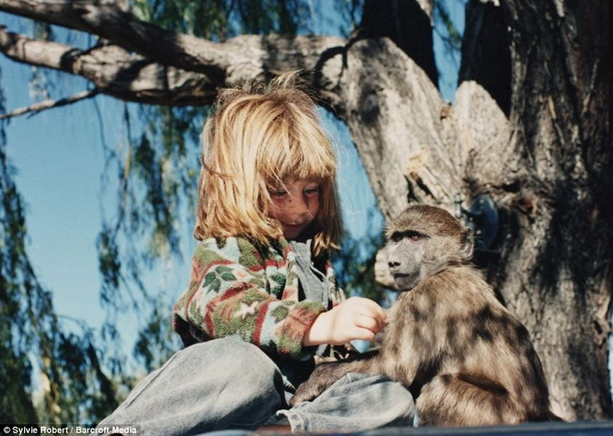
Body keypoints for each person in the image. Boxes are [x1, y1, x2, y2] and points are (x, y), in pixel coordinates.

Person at [98, 72, 416, 435]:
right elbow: (224, 307)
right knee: (243, 365)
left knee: (390, 394)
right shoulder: (228, 247)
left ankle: (284, 430)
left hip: (290, 406)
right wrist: (315, 324)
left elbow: (332, 360)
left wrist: (367, 342)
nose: (299, 210)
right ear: (240, 186)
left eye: (311, 190)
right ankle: (122, 430)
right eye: (279, 193)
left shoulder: (317, 263)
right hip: (233, 395)